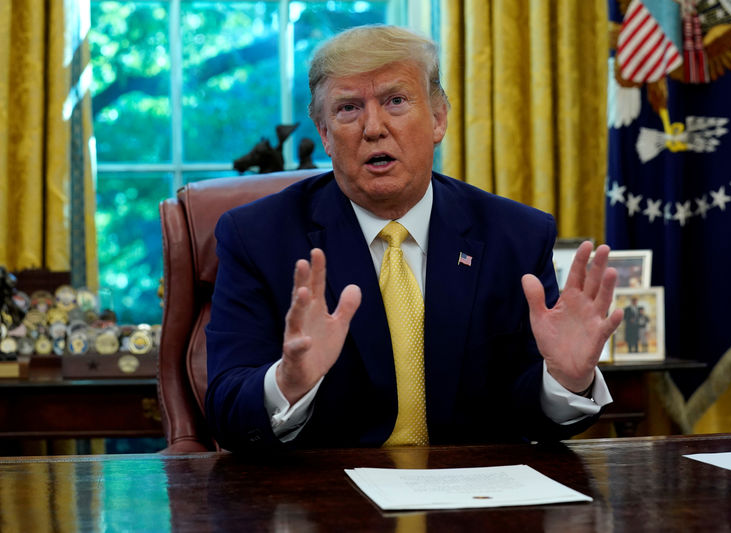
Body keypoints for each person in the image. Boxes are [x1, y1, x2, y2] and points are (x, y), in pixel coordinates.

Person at [205, 25, 623, 454]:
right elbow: (225, 411)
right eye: (348, 108)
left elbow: (526, 415)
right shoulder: (258, 237)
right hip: (326, 502)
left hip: (473, 500)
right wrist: (287, 384)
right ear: (325, 135)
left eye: (396, 101)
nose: (373, 128)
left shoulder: (515, 236)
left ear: (439, 118)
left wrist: (566, 381)